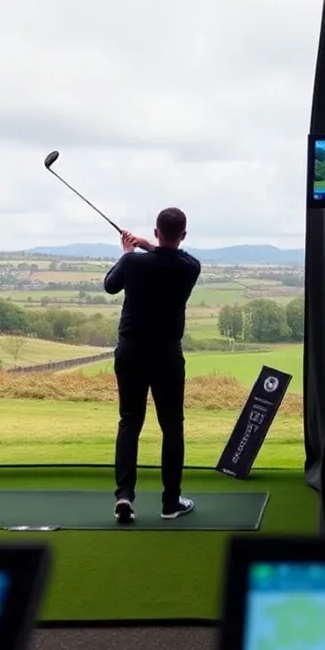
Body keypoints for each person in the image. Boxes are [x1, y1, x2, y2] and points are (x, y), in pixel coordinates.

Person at [102, 207, 201, 524]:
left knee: (130, 422)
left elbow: (110, 285)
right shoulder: (190, 267)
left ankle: (125, 497)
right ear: (183, 235)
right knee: (172, 426)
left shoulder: (132, 262)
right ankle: (170, 503)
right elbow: (171, 258)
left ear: (157, 232)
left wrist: (130, 251)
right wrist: (146, 246)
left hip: (131, 352)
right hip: (167, 355)